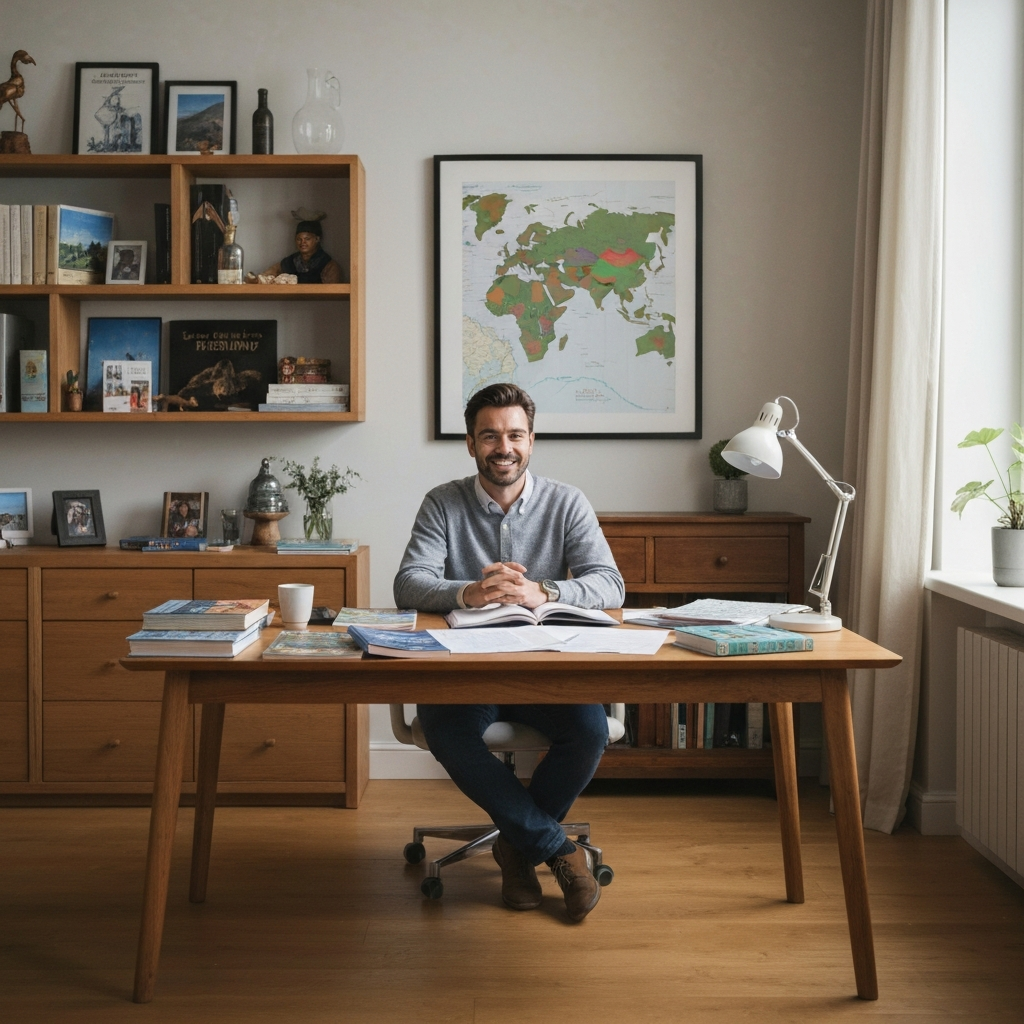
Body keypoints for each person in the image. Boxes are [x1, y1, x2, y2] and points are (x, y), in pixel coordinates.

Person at [394, 383, 624, 922]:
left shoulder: (567, 501)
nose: (505, 447)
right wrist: (468, 592)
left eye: (515, 435)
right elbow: (409, 583)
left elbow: (610, 584)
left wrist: (545, 592)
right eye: (491, 436)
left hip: (546, 672)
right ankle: (555, 850)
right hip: (466, 674)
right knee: (446, 729)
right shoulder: (442, 502)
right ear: (471, 444)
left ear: (532, 440)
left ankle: (517, 849)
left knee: (589, 732)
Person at [262, 214, 342, 284]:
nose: (302, 242)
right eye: (299, 239)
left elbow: (331, 288)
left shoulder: (327, 264)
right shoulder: (289, 262)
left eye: (307, 239)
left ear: (317, 239)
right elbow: (266, 275)